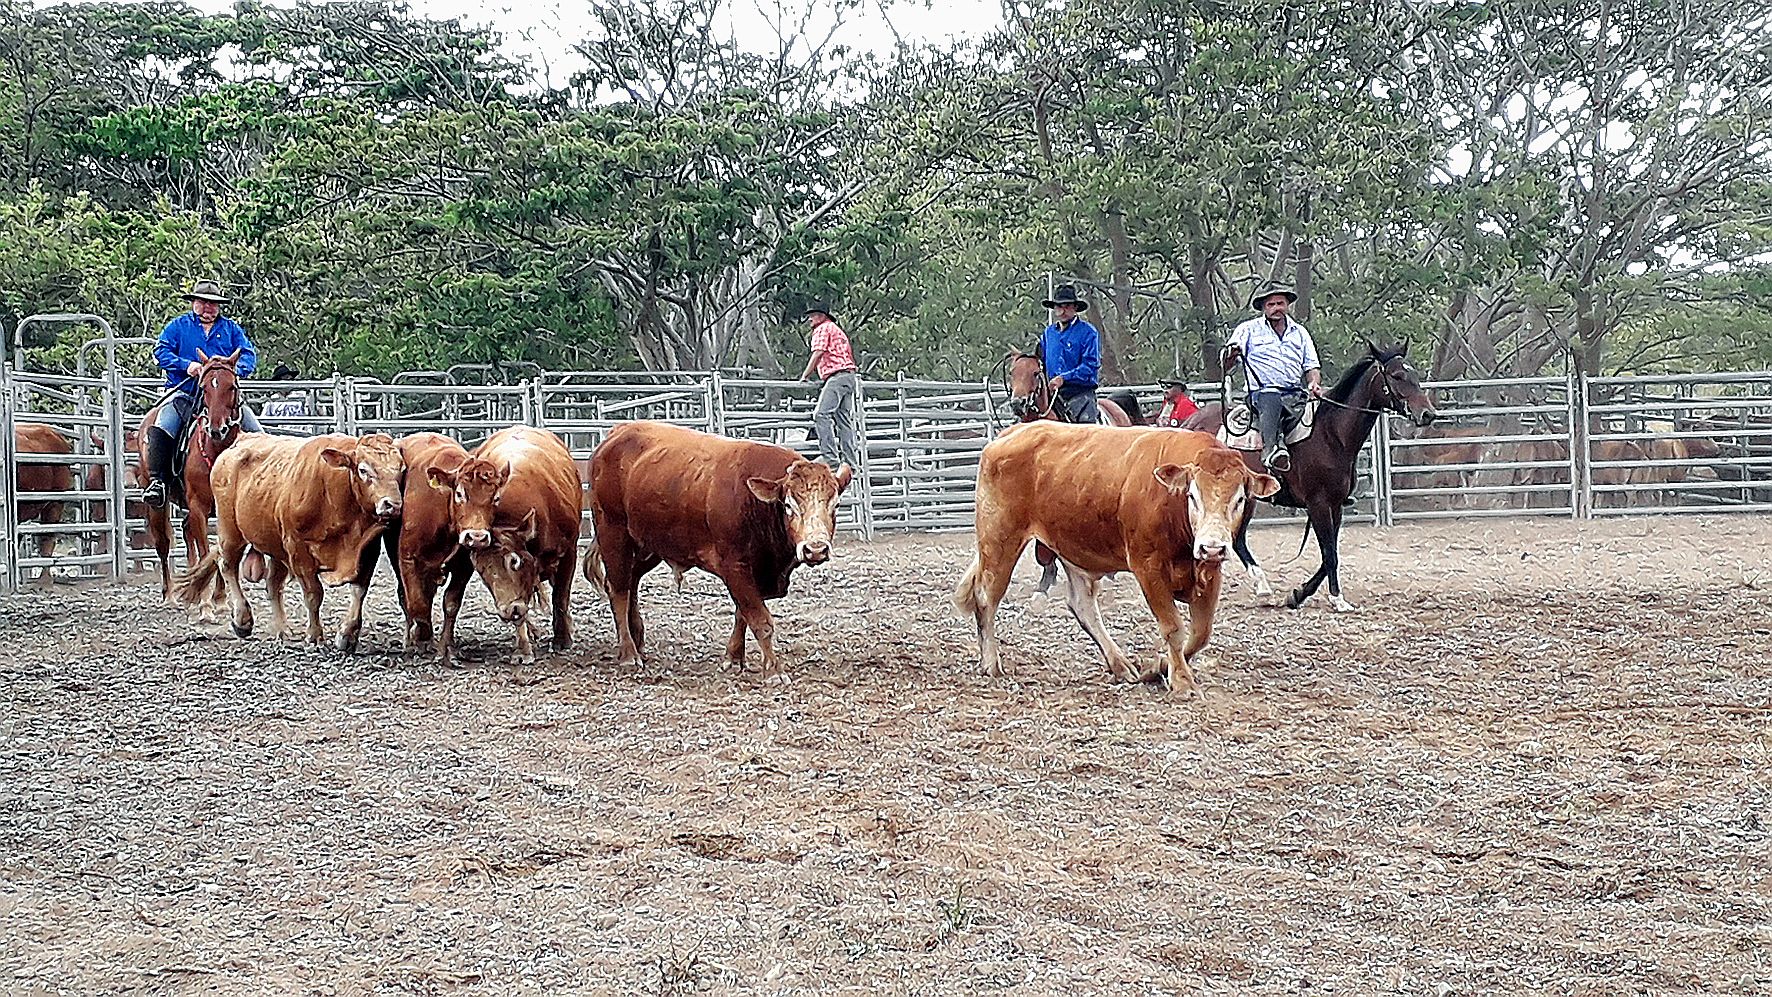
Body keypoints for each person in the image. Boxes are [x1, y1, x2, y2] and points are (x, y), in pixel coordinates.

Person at [143, 279, 261, 507]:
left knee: (256, 432)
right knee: (163, 425)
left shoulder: (231, 329)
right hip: (185, 392)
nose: (208, 307)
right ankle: (158, 482)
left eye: (213, 303)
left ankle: (264, 481)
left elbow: (248, 354)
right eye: (203, 302)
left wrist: (233, 370)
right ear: (194, 303)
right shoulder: (178, 327)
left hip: (223, 399)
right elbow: (160, 352)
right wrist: (186, 365)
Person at [1223, 284, 1322, 472]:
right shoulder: (1247, 330)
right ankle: (1271, 449)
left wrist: (1314, 383)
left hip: (1295, 394)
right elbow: (1227, 367)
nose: (1276, 308)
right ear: (1263, 308)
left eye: (1280, 303)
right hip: (1261, 396)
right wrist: (1231, 355)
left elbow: (1311, 366)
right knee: (1271, 394)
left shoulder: (1300, 332)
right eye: (1271, 304)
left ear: (1287, 305)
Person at [797, 303, 858, 468]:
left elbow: (818, 352)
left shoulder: (822, 329)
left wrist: (805, 376)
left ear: (822, 316)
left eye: (813, 315)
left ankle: (831, 460)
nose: (810, 319)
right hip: (848, 376)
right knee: (843, 419)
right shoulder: (836, 329)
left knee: (821, 415)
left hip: (836, 376)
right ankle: (850, 462)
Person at [1037, 284, 1101, 425]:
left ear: (1075, 308)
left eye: (1066, 306)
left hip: (1080, 394)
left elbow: (1090, 366)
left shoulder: (1088, 332)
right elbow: (1040, 361)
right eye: (1059, 307)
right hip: (1053, 396)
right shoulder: (1049, 333)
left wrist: (1064, 378)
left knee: (1088, 432)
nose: (1062, 311)